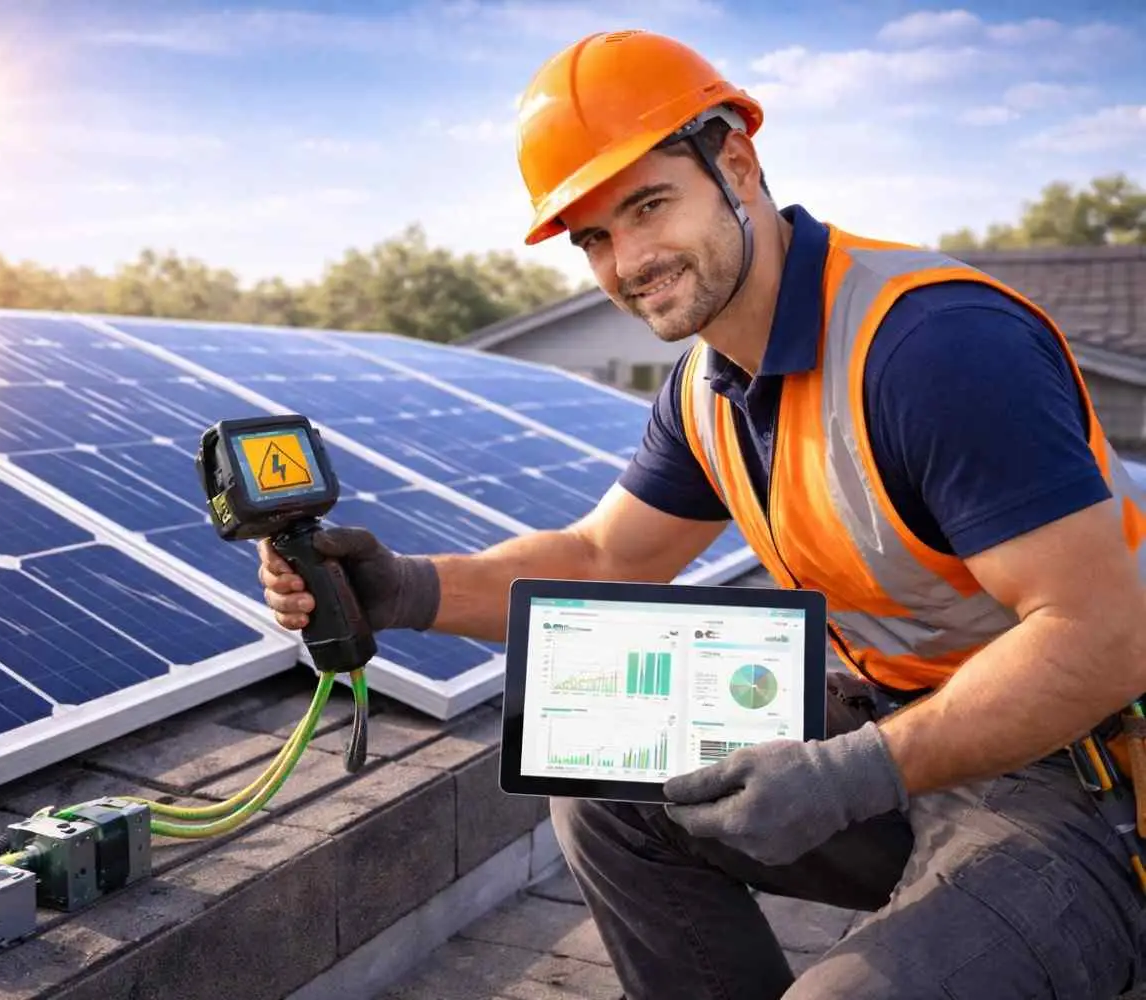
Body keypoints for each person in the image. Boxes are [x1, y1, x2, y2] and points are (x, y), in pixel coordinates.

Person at [257, 29, 1146, 1000]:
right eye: (594, 236)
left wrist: (853, 773)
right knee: (607, 788)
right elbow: (603, 558)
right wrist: (403, 588)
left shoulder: (932, 347)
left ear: (736, 163)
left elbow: (1105, 635)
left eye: (647, 205)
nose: (627, 259)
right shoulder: (707, 390)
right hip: (910, 729)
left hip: (1084, 775)